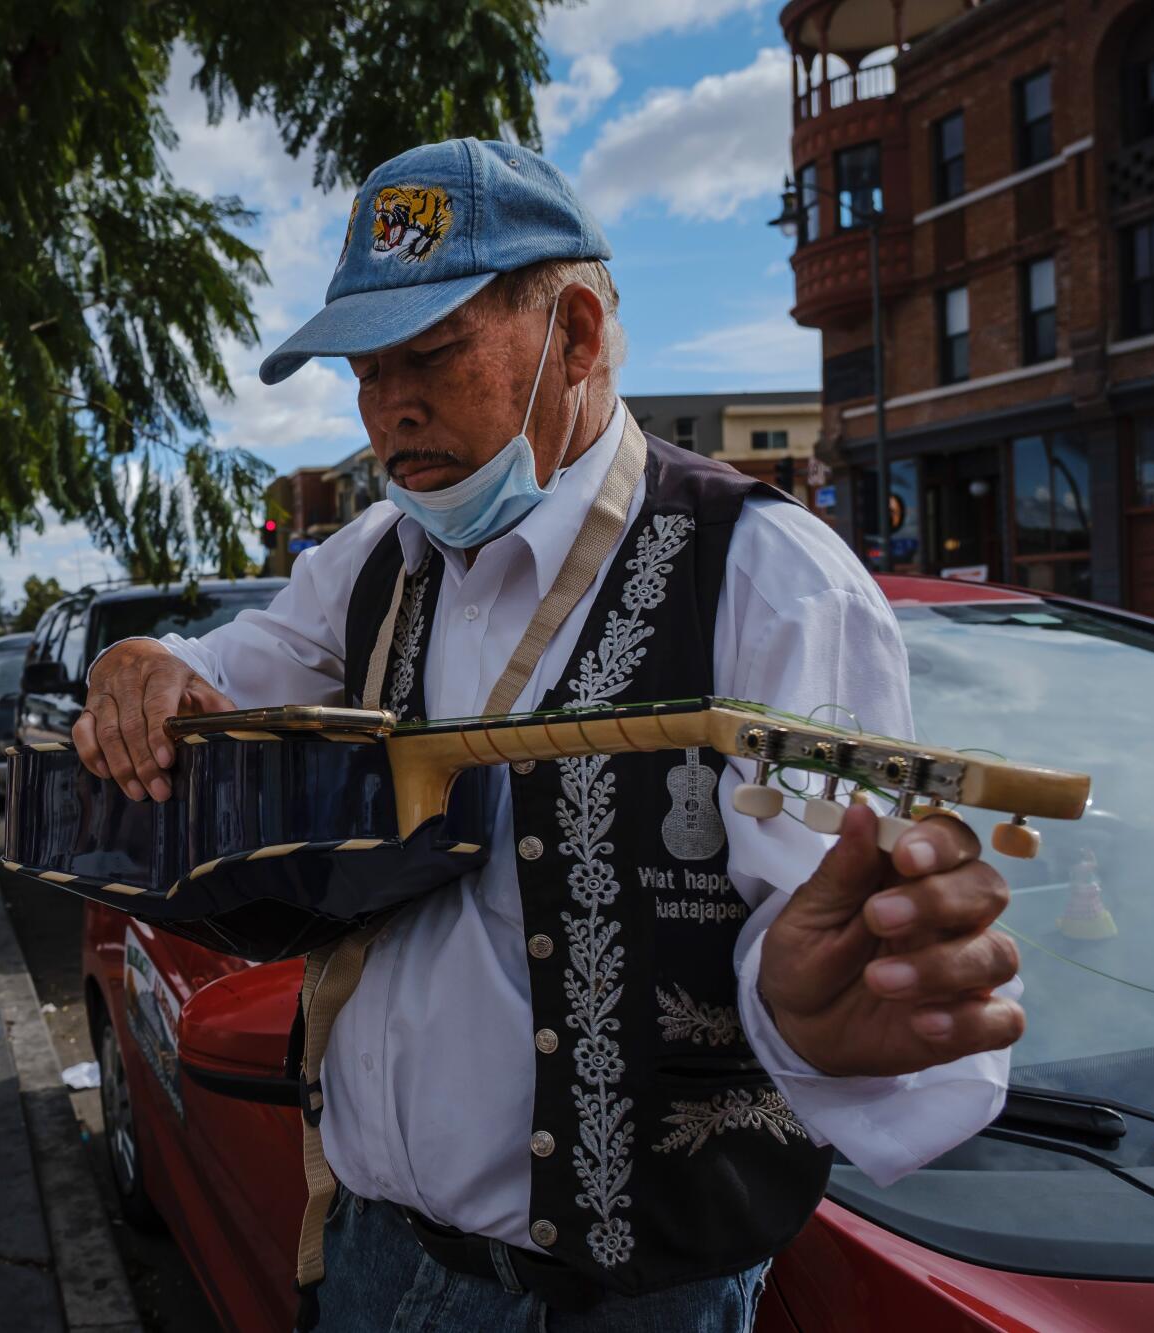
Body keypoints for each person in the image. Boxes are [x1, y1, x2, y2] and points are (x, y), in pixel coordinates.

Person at [74, 139, 1020, 1330]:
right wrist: (145, 663)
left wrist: (817, 1021)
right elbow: (216, 672)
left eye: (429, 355)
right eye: (365, 370)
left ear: (574, 336)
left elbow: (820, 927)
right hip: (371, 1258)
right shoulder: (377, 559)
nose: (387, 410)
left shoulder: (766, 579)